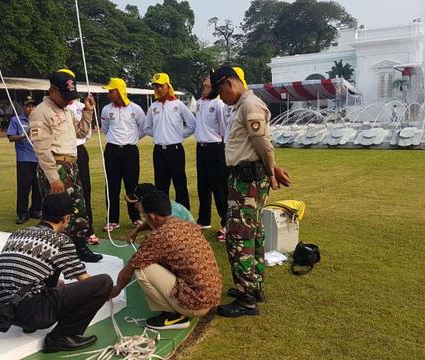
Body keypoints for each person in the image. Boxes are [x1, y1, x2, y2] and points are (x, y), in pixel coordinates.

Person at [208, 66, 292, 317]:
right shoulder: (245, 105)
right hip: (246, 178)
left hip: (248, 181)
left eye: (220, 92)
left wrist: (270, 170)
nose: (220, 98)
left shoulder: (249, 105)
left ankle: (246, 299)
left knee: (239, 236)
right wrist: (270, 169)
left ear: (228, 84)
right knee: (253, 233)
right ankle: (253, 287)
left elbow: (262, 143)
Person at [0, 193, 113, 353]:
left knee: (52, 268)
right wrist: (110, 292)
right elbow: (84, 280)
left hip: (3, 310)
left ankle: (29, 327)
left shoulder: (17, 233)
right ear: (66, 218)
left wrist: (54, 285)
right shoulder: (60, 241)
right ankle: (61, 337)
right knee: (104, 283)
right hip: (32, 312)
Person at [110, 190, 222, 330]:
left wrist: (116, 290)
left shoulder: (158, 237)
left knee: (142, 269)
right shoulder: (184, 224)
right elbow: (154, 223)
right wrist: (138, 230)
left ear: (150, 216)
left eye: (144, 215)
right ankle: (179, 307)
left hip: (197, 305)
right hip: (212, 295)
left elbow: (129, 270)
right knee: (155, 261)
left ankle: (174, 315)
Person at [29, 69, 102, 263]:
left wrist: (88, 111)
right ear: (52, 90)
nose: (70, 101)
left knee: (78, 208)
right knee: (57, 212)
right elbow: (41, 149)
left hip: (71, 164)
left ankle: (79, 248)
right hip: (56, 165)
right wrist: (53, 177)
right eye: (65, 96)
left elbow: (80, 133)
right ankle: (55, 253)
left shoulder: (66, 110)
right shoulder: (41, 113)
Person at [143, 73, 196, 210]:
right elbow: (146, 127)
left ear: (168, 86)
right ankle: (163, 216)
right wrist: (160, 134)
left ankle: (184, 216)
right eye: (156, 86)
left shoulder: (178, 105)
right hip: (159, 150)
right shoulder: (153, 106)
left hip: (175, 150)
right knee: (160, 185)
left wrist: (178, 136)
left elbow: (192, 125)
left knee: (180, 184)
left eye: (161, 86)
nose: (158, 89)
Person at [100, 77, 146, 231]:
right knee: (112, 185)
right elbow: (105, 128)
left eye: (111, 91)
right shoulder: (106, 109)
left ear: (120, 91)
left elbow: (143, 128)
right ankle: (112, 219)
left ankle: (135, 217)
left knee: (131, 186)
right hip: (112, 150)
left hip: (130, 151)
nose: (109, 93)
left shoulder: (135, 109)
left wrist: (131, 139)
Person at [194, 75, 228, 234]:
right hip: (200, 148)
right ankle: (204, 220)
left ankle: (226, 223)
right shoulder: (200, 102)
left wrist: (218, 142)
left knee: (219, 187)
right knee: (203, 185)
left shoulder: (219, 103)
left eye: (207, 85)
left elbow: (223, 128)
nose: (204, 86)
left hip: (215, 148)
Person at [67, 98, 99, 245]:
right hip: (62, 152)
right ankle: (67, 230)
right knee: (65, 192)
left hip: (78, 149)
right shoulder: (53, 108)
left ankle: (88, 229)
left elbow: (85, 133)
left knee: (85, 190)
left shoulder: (82, 107)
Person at [7, 96, 42, 225]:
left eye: (33, 106)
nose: (30, 108)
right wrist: (23, 136)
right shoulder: (16, 120)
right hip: (24, 158)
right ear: (23, 107)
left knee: (38, 187)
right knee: (24, 188)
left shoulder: (38, 120)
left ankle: (36, 210)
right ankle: (22, 213)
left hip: (38, 157)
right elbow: (11, 137)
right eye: (28, 106)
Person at [124, 183, 194, 244]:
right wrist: (137, 230)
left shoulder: (165, 224)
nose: (135, 206)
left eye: (137, 202)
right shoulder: (162, 206)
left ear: (147, 201)